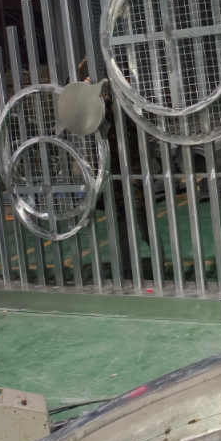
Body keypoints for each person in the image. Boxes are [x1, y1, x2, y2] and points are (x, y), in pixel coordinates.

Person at [78, 59, 149, 281]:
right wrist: (87, 91)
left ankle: (159, 265)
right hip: (114, 174)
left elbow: (122, 119)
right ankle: (127, 272)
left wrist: (100, 94)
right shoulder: (107, 99)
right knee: (121, 227)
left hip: (134, 173)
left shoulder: (132, 102)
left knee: (144, 224)